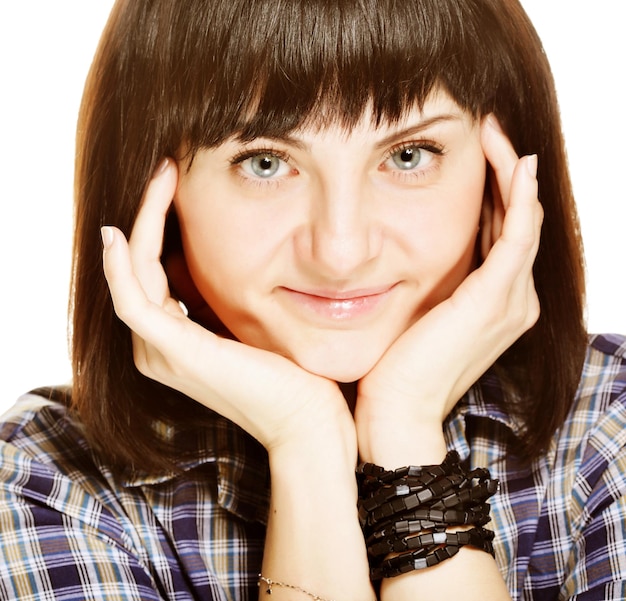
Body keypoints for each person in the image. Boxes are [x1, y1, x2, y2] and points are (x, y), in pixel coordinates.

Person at [1, 0, 624, 599]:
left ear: (500, 179)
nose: (341, 251)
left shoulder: (609, 429)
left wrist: (405, 427)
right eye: (265, 162)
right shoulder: (46, 486)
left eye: (408, 155)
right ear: (155, 196)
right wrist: (305, 442)